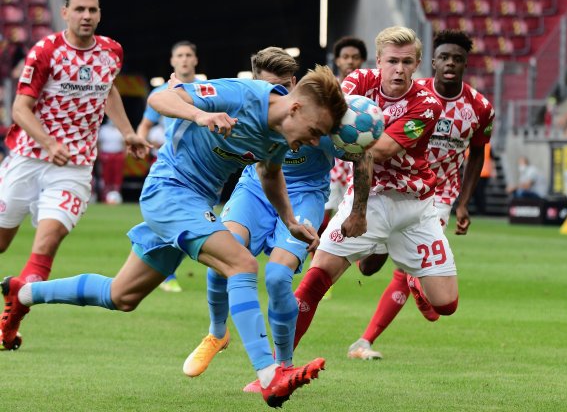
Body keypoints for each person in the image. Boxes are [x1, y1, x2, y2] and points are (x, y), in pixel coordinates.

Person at [1, 64, 347, 407]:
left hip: (194, 202)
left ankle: (24, 293)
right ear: (297, 107)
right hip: (170, 190)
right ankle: (270, 376)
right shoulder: (242, 96)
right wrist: (199, 114)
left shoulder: (280, 134)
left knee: (121, 295)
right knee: (241, 263)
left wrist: (289, 220)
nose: (315, 141)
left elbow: (270, 174)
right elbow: (161, 98)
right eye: (316, 130)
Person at [181, 47, 372, 393]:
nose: (279, 97)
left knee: (279, 276)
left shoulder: (321, 118)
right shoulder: (249, 105)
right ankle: (217, 333)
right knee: (223, 253)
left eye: (285, 86)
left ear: (295, 84)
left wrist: (359, 210)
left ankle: (283, 365)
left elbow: (362, 155)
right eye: (269, 88)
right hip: (254, 189)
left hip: (304, 197)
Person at [289, 26, 459, 359]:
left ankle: (412, 277)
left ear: (417, 63)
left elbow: (377, 151)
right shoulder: (356, 84)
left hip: (417, 207)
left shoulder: (427, 105)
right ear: (378, 61)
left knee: (446, 304)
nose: (399, 69)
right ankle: (276, 368)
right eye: (392, 61)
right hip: (373, 194)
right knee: (317, 278)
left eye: (407, 62)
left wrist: (333, 136)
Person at [0, 0, 149, 349]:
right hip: (27, 158)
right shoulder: (45, 51)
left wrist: (128, 132)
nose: (87, 17)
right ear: (64, 12)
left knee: (47, 244)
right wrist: (50, 143)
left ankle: (9, 324)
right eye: (79, 10)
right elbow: (20, 108)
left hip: (75, 167)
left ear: (99, 14)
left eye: (93, 10)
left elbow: (108, 88)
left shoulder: (111, 51)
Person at [346, 29, 495, 360]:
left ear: (466, 63)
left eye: (457, 58)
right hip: (396, 188)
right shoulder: (415, 95)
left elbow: (478, 154)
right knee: (369, 268)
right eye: (444, 57)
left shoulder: (480, 108)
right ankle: (403, 288)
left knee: (408, 271)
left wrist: (464, 203)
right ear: (432, 62)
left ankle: (365, 341)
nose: (450, 63)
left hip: (438, 196)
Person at [136, 41, 200, 293]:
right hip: (171, 167)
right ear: (172, 61)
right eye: (179, 56)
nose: (184, 59)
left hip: (202, 170)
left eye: (188, 55)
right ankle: (167, 274)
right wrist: (142, 141)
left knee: (193, 221)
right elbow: (144, 126)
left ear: (195, 60)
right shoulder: (162, 93)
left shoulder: (207, 90)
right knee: (173, 219)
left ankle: (159, 267)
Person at [317, 36, 368, 301]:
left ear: (362, 60)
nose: (350, 61)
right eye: (345, 57)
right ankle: (321, 266)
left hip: (360, 160)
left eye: (355, 57)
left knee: (354, 210)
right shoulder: (330, 87)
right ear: (337, 60)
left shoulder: (368, 90)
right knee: (325, 212)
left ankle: (352, 254)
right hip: (333, 159)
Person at [97, 118, 126, 204]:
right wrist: (99, 154)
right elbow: (99, 143)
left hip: (118, 154)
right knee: (106, 176)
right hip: (106, 155)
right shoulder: (104, 129)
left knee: (117, 176)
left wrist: (124, 154)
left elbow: (124, 143)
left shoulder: (120, 128)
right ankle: (104, 196)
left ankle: (117, 194)